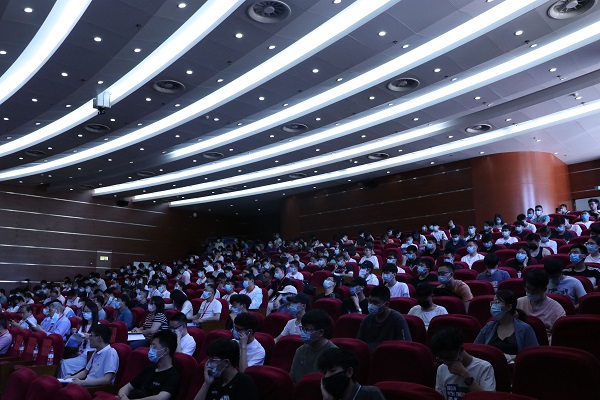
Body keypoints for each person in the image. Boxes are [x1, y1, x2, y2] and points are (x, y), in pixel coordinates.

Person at [431, 328, 496, 399]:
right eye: (441, 358)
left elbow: (487, 398)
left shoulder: (484, 368)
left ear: (460, 349)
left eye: (448, 358)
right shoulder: (441, 369)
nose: (446, 362)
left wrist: (465, 374)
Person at [474, 290, 538, 359]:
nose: (493, 306)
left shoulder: (525, 329)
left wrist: (513, 357)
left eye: (497, 302)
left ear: (509, 307)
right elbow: (476, 350)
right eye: (493, 302)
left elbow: (532, 355)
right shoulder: (488, 327)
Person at [118, 331, 180, 400]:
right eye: (151, 346)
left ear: (165, 351)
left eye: (154, 347)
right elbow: (128, 387)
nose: (151, 350)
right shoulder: (149, 369)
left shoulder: (173, 375)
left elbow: (161, 398)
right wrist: (122, 395)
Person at [193, 338, 258, 400]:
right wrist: (206, 384)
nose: (208, 364)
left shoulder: (244, 382)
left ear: (226, 362)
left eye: (212, 360)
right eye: (208, 359)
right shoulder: (215, 382)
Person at [356, 285, 412, 350]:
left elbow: (405, 346)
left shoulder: (398, 319)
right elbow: (359, 344)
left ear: (386, 304)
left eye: (375, 302)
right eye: (370, 301)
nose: (371, 305)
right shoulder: (366, 319)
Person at [318, 348, 385, 400]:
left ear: (349, 372)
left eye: (332, 371)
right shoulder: (328, 396)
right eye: (324, 373)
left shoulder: (370, 394)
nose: (327, 376)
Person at [290, 309, 338, 383]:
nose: (303, 333)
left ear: (321, 332)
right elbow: (292, 379)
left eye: (307, 329)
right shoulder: (300, 350)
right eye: (302, 328)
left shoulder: (334, 354)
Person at [516, 269, 566, 340]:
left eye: (534, 290)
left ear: (544, 289)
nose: (530, 292)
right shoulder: (519, 302)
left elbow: (559, 334)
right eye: (528, 288)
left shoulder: (556, 309)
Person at [58, 299, 99, 377]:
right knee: (60, 360)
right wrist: (75, 334)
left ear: (93, 312)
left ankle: (65, 380)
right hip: (78, 351)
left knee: (65, 363)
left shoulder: (98, 326)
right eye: (84, 311)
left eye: (88, 311)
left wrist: (89, 338)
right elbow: (78, 340)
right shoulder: (83, 326)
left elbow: (99, 343)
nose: (85, 313)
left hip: (88, 355)